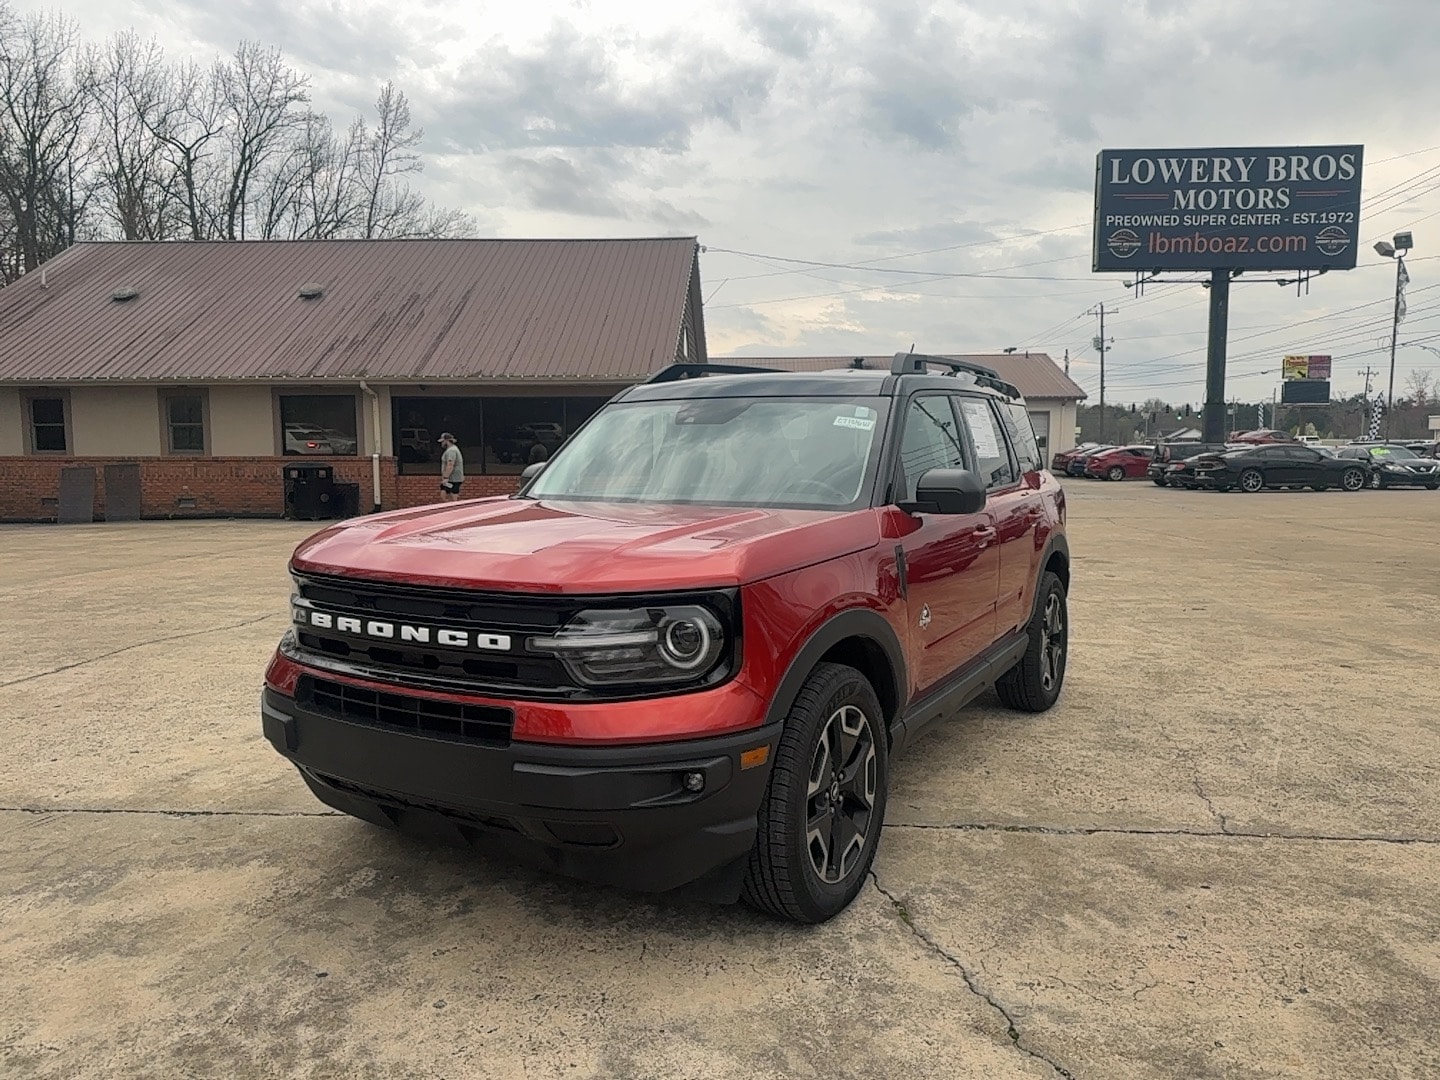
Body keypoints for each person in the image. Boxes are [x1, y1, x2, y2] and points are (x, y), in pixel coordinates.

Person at [438, 432, 464, 501]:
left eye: (443, 441)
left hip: (453, 478)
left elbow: (450, 464)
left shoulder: (451, 451)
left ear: (447, 441)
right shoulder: (452, 449)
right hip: (451, 478)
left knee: (449, 495)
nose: (442, 443)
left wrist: (446, 477)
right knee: (446, 493)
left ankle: (453, 509)